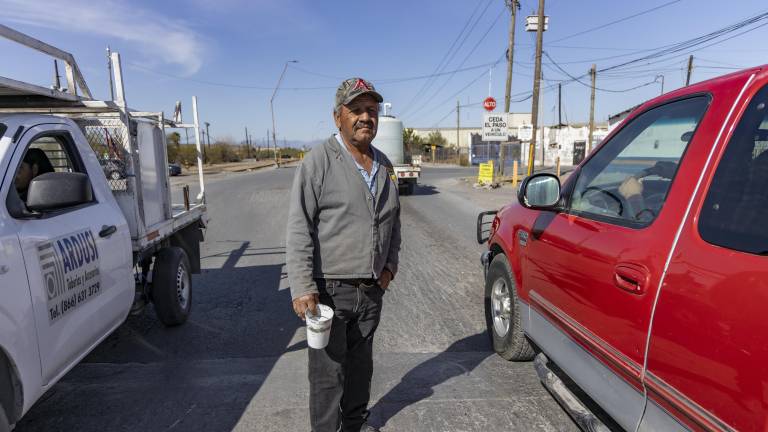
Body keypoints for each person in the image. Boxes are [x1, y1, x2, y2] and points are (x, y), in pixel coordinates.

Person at [286, 77, 401, 432]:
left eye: (372, 111)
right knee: (327, 377)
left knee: (360, 369)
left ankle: (355, 425)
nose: (366, 117)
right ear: (338, 117)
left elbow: (394, 223)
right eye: (357, 110)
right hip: (328, 291)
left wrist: (389, 269)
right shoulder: (318, 161)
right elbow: (298, 227)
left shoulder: (384, 165)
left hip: (370, 293)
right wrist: (303, 287)